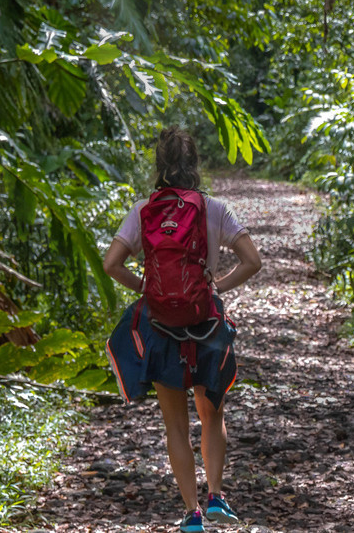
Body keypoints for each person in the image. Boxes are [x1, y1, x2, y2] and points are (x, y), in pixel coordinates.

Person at [103, 127, 263, 531]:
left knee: (175, 425)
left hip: (160, 326)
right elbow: (252, 260)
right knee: (212, 414)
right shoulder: (214, 208)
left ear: (159, 166)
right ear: (195, 165)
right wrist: (216, 284)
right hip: (205, 323)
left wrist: (145, 287)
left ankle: (191, 514)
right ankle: (215, 497)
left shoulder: (143, 210)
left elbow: (111, 264)